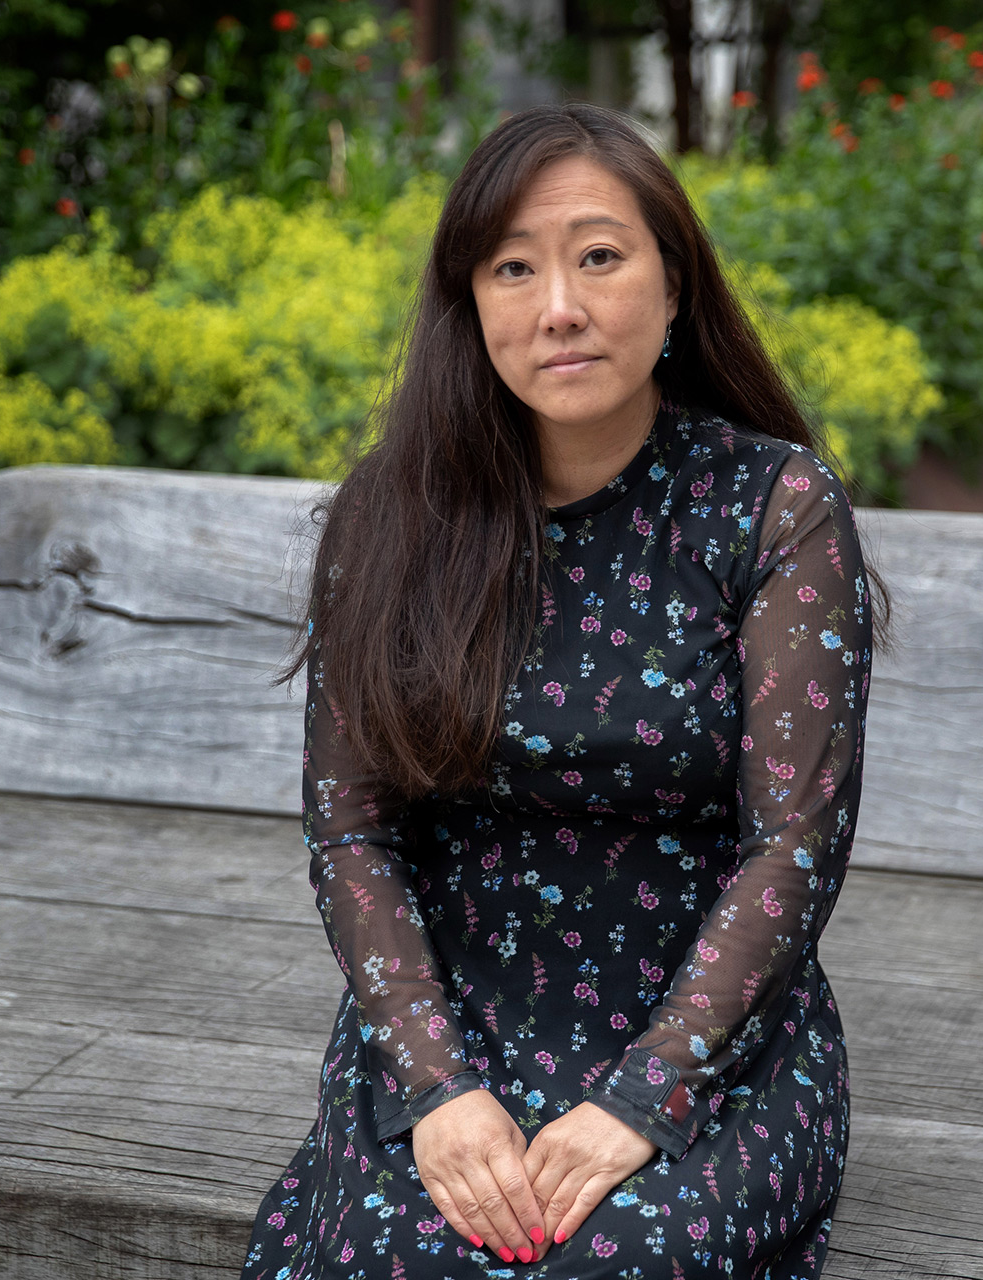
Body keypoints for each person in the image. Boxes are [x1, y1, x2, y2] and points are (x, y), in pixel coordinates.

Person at [239, 102, 873, 1280]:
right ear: (471, 304)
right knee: (411, 1258)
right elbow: (352, 828)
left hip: (708, 1035)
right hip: (451, 1020)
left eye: (598, 255)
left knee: (612, 1260)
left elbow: (793, 844)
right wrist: (435, 1085)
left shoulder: (773, 510)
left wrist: (645, 1096)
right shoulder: (393, 514)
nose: (559, 307)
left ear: (674, 286)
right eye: (513, 268)